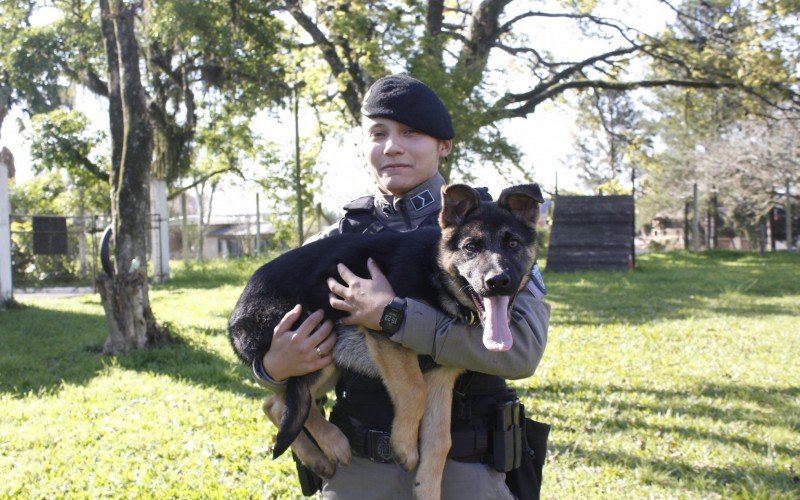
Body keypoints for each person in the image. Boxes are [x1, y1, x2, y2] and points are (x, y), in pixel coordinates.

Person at [251, 74, 550, 499]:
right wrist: (271, 369)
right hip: (355, 466)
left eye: (411, 133)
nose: (392, 147)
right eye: (378, 133)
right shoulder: (334, 241)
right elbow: (266, 339)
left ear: (444, 145)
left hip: (465, 467)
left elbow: (521, 354)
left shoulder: (493, 232)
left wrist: (395, 318)